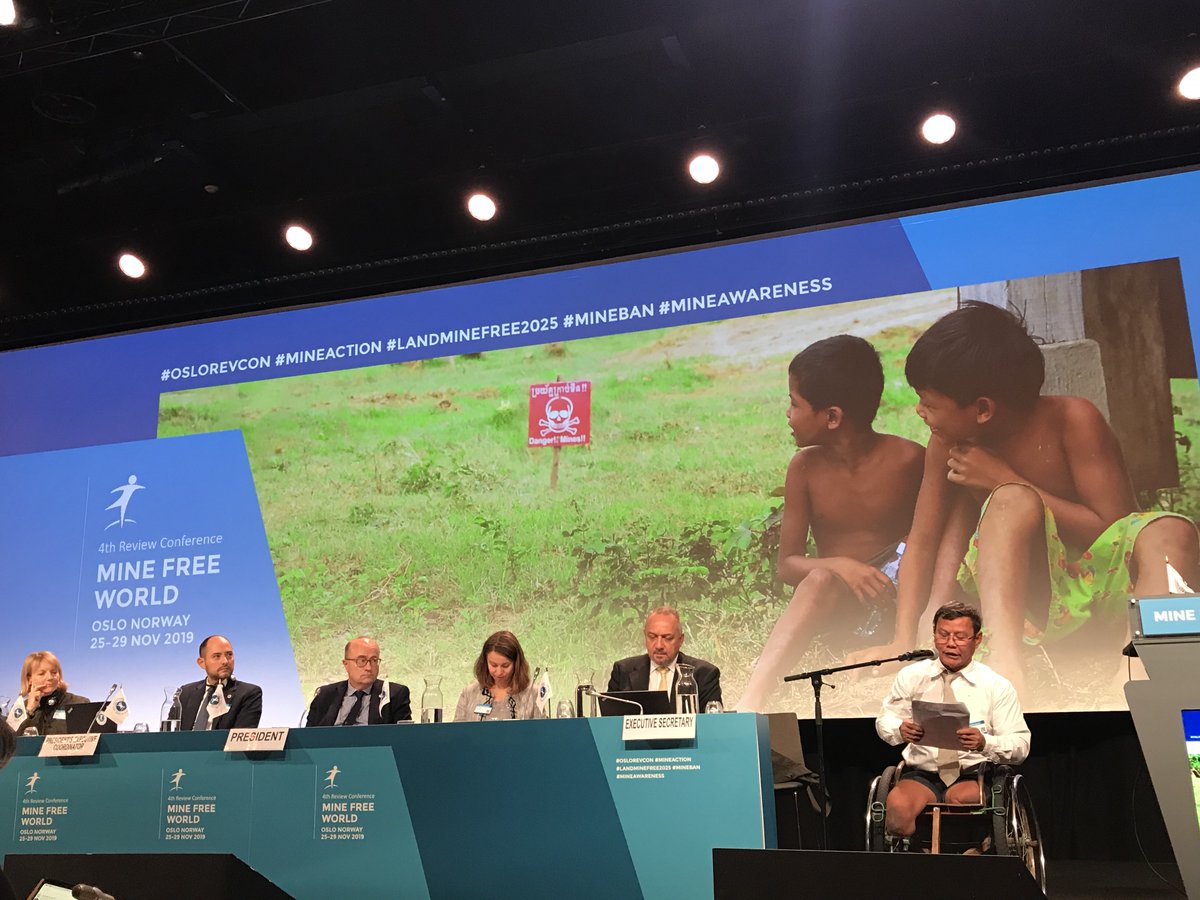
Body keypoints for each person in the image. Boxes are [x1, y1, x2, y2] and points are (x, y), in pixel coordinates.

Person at [850, 302, 1200, 695]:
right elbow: (923, 540)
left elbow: (1120, 531)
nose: (919, 411)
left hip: (1108, 600)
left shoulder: (1073, 419)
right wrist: (903, 637)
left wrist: (1005, 478)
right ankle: (1004, 666)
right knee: (1010, 501)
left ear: (983, 409)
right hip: (1024, 609)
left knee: (1171, 531)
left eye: (929, 404)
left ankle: (1142, 672)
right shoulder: (947, 445)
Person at [737, 336, 924, 711]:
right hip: (838, 608)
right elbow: (789, 565)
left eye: (795, 403)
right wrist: (842, 566)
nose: (788, 414)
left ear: (832, 417)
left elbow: (924, 546)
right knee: (820, 578)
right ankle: (753, 697)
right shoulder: (804, 468)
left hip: (900, 604)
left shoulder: (909, 460)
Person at [876, 601, 1030, 845]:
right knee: (898, 810)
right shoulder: (912, 676)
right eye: (943, 635)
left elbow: (1020, 744)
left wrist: (984, 743)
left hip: (972, 775)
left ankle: (975, 851)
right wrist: (900, 729)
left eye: (960, 637)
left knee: (960, 799)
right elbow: (885, 719)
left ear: (977, 640)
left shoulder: (996, 685)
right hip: (922, 773)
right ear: (934, 634)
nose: (950, 643)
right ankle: (919, 856)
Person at [608, 606, 722, 709]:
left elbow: (712, 722)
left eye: (667, 638)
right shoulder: (623, 671)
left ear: (681, 639)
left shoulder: (704, 675)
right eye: (652, 637)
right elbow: (610, 720)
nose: (659, 646)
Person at [305, 636, 412, 726]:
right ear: (346, 664)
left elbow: (403, 736)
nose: (369, 667)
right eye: (362, 661)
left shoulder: (394, 694)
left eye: (374, 660)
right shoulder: (326, 695)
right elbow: (308, 736)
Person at [453, 631, 544, 721]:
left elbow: (541, 728)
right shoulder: (469, 693)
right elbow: (458, 729)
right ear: (485, 662)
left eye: (505, 666)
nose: (499, 672)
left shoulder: (533, 694)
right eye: (493, 665)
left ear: (516, 664)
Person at [177, 635, 263, 731]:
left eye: (229, 655)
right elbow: (169, 733)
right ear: (202, 662)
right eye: (217, 656)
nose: (225, 661)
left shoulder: (248, 694)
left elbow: (239, 738)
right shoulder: (185, 693)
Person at [8, 651, 90, 736]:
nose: (50, 678)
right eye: (41, 674)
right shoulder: (20, 708)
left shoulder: (79, 703)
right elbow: (9, 739)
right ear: (29, 678)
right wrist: (29, 710)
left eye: (54, 672)